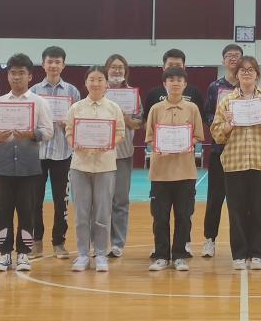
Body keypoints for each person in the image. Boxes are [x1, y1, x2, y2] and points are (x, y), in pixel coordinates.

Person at [211, 56, 261, 270]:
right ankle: (239, 254)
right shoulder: (227, 101)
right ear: (237, 74)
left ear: (257, 75)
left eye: (251, 70)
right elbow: (216, 133)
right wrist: (228, 125)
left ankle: (257, 254)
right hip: (234, 161)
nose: (246, 73)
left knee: (260, 209)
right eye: (242, 70)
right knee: (236, 210)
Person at [0, 53, 53, 273]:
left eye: (21, 73)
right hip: (3, 168)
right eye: (13, 73)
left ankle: (24, 254)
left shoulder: (39, 103)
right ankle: (4, 254)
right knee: (3, 212)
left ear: (30, 76)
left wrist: (31, 134)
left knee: (27, 211)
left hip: (29, 169)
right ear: (8, 76)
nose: (16, 77)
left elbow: (48, 131)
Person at [64, 66, 127, 273]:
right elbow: (69, 132)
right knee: (81, 213)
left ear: (106, 83)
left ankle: (100, 254)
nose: (96, 83)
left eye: (100, 79)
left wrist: (108, 144)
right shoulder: (76, 108)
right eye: (92, 79)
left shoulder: (113, 108)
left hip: (105, 166)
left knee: (102, 212)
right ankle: (83, 254)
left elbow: (120, 132)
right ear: (86, 82)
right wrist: (75, 143)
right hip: (80, 166)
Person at [145, 66, 205, 272]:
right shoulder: (155, 109)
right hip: (160, 173)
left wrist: (187, 142)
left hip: (185, 172)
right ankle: (161, 256)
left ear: (185, 84)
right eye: (171, 80)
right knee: (160, 217)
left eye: (179, 80)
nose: (175, 83)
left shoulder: (192, 109)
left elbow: (198, 137)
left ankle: (179, 255)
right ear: (165, 84)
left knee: (183, 216)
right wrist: (159, 145)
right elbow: (149, 139)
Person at [29, 45, 81, 259]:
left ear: (63, 65)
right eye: (49, 61)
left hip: (63, 154)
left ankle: (59, 242)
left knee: (62, 201)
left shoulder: (72, 92)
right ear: (43, 64)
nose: (53, 65)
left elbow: (78, 122)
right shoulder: (33, 91)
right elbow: (28, 121)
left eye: (57, 62)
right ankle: (36, 242)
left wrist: (68, 124)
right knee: (34, 201)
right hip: (37, 154)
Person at [202, 43, 243, 257]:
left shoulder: (247, 86)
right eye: (229, 55)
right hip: (219, 150)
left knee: (241, 200)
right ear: (223, 60)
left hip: (243, 151)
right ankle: (210, 239)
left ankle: (242, 242)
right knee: (215, 198)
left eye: (237, 55)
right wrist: (222, 123)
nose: (233, 58)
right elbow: (208, 115)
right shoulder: (215, 87)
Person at [105, 54, 143, 258]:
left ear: (126, 71)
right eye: (113, 67)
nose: (117, 70)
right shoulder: (98, 91)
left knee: (120, 201)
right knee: (99, 202)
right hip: (99, 155)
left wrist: (124, 117)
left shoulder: (132, 95)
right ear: (106, 70)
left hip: (123, 154)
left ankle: (117, 244)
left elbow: (138, 124)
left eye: (121, 67)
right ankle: (99, 243)